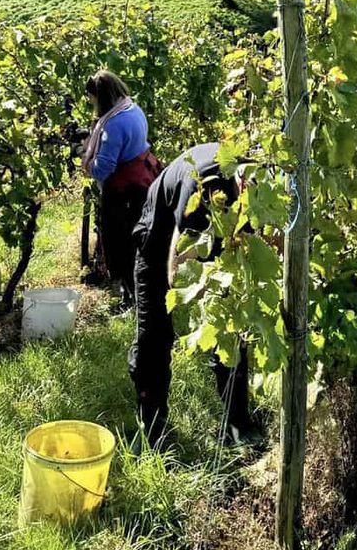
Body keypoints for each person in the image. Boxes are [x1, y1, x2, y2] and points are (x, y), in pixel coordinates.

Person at [129, 142, 255, 447]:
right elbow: (177, 266)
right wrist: (209, 305)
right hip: (158, 244)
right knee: (154, 337)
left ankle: (237, 426)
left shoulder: (255, 181)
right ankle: (151, 432)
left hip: (215, 236)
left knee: (229, 330)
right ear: (240, 183)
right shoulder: (205, 183)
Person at [80, 69, 162, 308]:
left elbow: (103, 168)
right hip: (144, 179)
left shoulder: (113, 125)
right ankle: (137, 296)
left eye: (92, 98)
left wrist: (83, 156)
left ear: (101, 97)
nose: (91, 104)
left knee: (122, 246)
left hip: (125, 192)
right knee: (138, 241)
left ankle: (133, 300)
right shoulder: (132, 109)